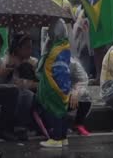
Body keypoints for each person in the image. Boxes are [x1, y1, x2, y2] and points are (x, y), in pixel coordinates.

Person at [36, 19, 71, 148]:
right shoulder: (64, 45)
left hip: (55, 84)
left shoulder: (56, 49)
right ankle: (62, 137)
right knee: (61, 110)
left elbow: (52, 65)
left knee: (55, 110)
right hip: (64, 84)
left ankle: (56, 138)